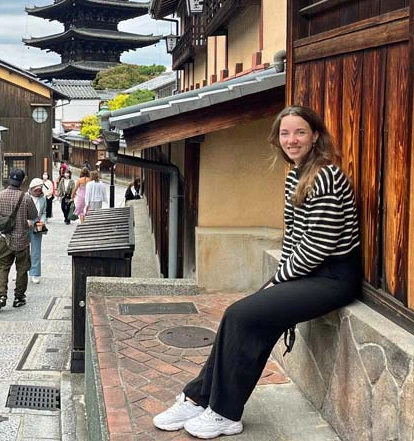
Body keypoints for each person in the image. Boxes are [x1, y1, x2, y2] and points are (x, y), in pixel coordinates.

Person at [152, 105, 361, 438]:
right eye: (285, 133)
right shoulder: (295, 175)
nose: (292, 140)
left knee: (241, 315)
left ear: (315, 136)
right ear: (278, 139)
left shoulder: (326, 176)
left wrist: (279, 280)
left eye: (300, 132)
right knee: (241, 317)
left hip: (334, 277)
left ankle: (224, 414)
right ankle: (197, 398)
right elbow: (293, 237)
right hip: (309, 273)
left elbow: (319, 246)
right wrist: (280, 277)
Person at [0, 168, 37, 310]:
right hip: (22, 238)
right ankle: (19, 297)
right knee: (22, 268)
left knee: (2, 266)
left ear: (9, 179)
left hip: (5, 238)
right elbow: (33, 215)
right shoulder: (26, 198)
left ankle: (1, 296)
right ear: (22, 181)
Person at [27, 178, 47, 284]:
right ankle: (21, 272)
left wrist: (42, 220)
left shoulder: (43, 199)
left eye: (40, 190)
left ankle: (34, 273)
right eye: (36, 190)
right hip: (26, 224)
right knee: (22, 250)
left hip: (38, 224)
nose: (38, 192)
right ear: (31, 189)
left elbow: (44, 212)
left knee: (36, 250)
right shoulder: (26, 197)